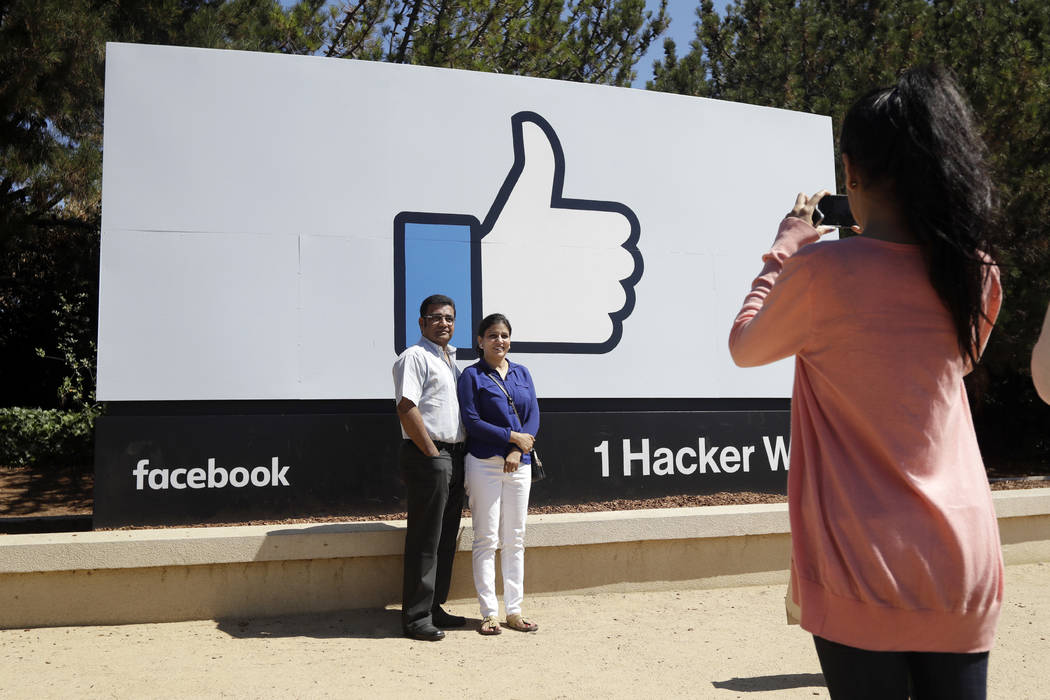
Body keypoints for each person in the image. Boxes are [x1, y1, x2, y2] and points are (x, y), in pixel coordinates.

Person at [728, 66, 1003, 699]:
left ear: (850, 173)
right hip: (962, 562)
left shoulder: (821, 273)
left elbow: (746, 346)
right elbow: (946, 367)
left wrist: (785, 250)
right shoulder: (976, 273)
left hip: (861, 562)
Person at [457, 313, 540, 635]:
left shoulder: (522, 372)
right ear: (480, 341)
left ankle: (515, 611)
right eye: (492, 335)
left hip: (519, 464)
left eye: (504, 335)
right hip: (483, 464)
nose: (500, 341)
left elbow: (533, 414)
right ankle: (489, 613)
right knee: (486, 539)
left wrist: (519, 449)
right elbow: (472, 421)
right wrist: (510, 438)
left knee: (515, 539)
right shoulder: (471, 376)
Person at [392, 294, 468, 642]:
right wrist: (433, 453)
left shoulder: (451, 362)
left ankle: (435, 607)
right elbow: (406, 407)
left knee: (445, 536)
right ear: (422, 323)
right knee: (426, 537)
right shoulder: (415, 357)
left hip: (453, 456)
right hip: (429, 456)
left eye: (449, 318)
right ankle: (416, 617)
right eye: (435, 318)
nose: (444, 323)